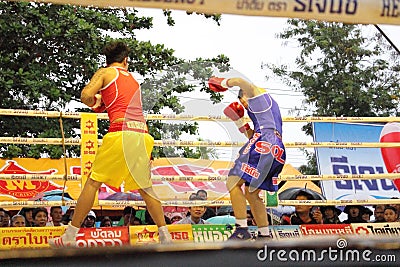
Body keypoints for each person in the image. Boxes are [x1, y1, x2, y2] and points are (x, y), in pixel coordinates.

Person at [49, 41, 172, 247]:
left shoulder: (105, 72)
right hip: (142, 134)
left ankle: (69, 236)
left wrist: (95, 102)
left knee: (93, 182)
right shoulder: (133, 80)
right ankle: (165, 235)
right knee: (145, 187)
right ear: (126, 61)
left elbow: (86, 95)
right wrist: (103, 101)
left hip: (121, 132)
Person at [208, 76, 286, 240]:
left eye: (241, 99)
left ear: (247, 94)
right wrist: (239, 123)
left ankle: (241, 230)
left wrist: (222, 83)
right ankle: (264, 235)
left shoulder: (259, 97)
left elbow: (241, 82)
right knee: (252, 193)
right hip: (276, 148)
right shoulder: (265, 112)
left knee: (232, 182)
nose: (242, 104)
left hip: (264, 142)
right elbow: (253, 136)